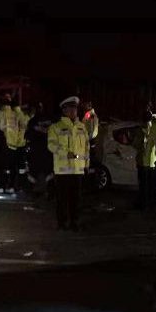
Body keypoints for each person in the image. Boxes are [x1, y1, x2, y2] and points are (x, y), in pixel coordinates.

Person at [48, 96, 90, 231]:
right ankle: (62, 222)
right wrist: (65, 153)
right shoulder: (56, 127)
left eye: (75, 108)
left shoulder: (82, 127)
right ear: (64, 110)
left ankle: (74, 222)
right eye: (70, 108)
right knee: (62, 199)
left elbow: (86, 148)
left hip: (78, 170)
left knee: (76, 200)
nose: (73, 111)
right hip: (62, 170)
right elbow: (51, 145)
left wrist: (86, 165)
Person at [0, 92, 21, 193]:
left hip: (2, 144)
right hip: (13, 144)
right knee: (11, 167)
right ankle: (11, 186)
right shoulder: (15, 114)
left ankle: (2, 186)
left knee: (2, 166)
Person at [26, 102, 54, 197]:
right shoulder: (51, 120)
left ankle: (33, 191)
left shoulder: (32, 121)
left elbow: (28, 136)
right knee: (48, 171)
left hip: (37, 150)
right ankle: (49, 191)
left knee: (34, 171)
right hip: (47, 150)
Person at [134, 105, 156, 210]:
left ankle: (143, 204)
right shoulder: (155, 129)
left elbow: (136, 144)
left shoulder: (141, 130)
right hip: (151, 162)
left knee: (143, 185)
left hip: (143, 162)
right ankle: (148, 204)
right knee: (150, 185)